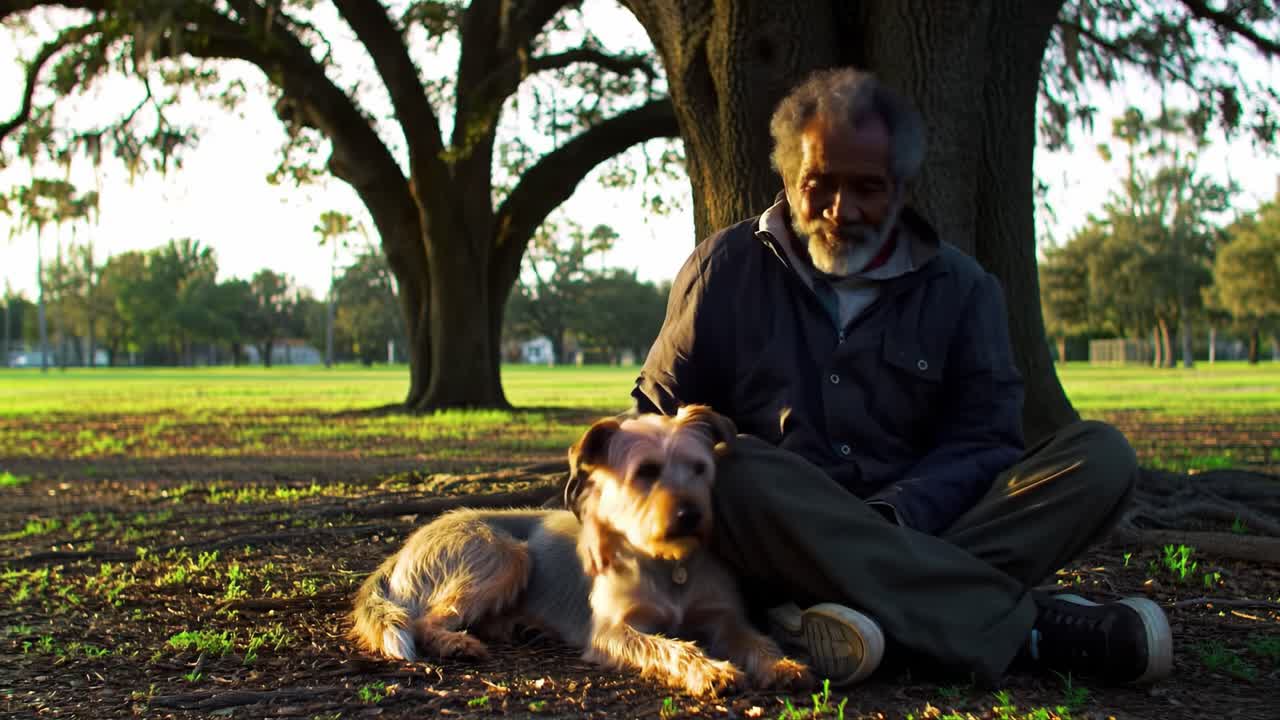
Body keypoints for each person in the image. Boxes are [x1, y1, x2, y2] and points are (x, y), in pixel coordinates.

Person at [626, 68, 1172, 688]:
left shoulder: (965, 290)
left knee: (1099, 457)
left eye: (867, 188)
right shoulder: (723, 268)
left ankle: (835, 620)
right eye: (819, 186)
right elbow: (651, 427)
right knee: (737, 468)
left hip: (929, 526)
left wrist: (893, 517)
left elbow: (985, 443)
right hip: (769, 540)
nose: (841, 210)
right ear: (786, 177)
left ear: (903, 189)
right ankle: (1028, 631)